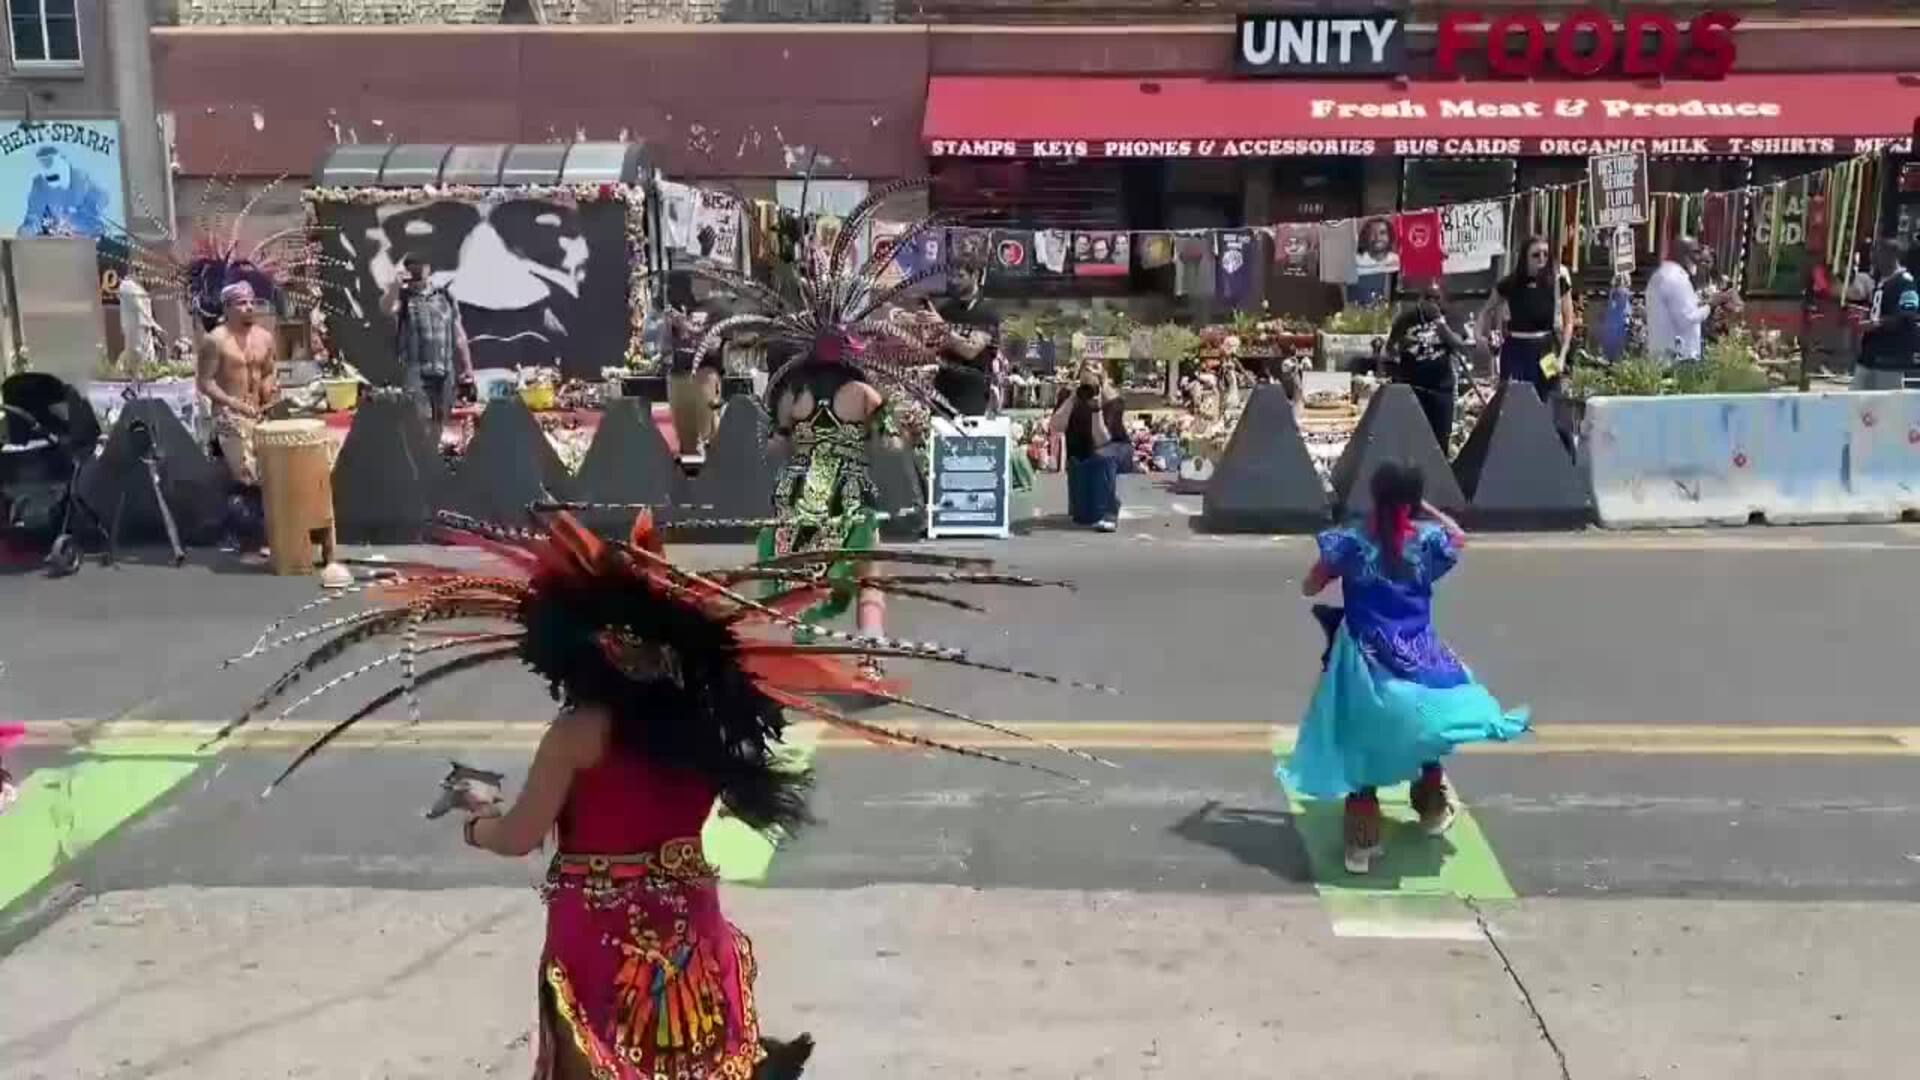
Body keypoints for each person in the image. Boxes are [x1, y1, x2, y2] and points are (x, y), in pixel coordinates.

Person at [216, 505, 1093, 1080]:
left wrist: (475, 822)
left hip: (601, 939)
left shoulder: (578, 732)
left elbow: (525, 835)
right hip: (687, 924)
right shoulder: (709, 728)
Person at [1283, 462, 1531, 875]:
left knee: (1359, 741)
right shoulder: (1428, 542)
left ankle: (1362, 844)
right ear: (1413, 500)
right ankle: (1432, 812)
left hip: (1364, 657)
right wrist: (1426, 507)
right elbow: (1458, 536)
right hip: (1422, 656)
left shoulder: (1353, 543)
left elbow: (1311, 585)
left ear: (1375, 495)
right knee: (1421, 734)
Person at [196, 281, 279, 549]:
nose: (249, 307)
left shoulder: (265, 337)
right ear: (228, 308)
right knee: (247, 472)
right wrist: (233, 403)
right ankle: (247, 534)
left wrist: (270, 391)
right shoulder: (215, 340)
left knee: (270, 470)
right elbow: (205, 382)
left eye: (252, 301)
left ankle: (259, 529)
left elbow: (268, 371)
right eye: (242, 303)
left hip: (258, 412)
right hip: (229, 415)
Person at [384, 253, 474, 430]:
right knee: (420, 425)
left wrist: (467, 366)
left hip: (444, 370)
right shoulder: (403, 298)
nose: (416, 269)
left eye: (420, 265)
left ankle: (437, 455)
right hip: (416, 371)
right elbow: (387, 308)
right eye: (412, 266)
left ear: (428, 268)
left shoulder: (445, 296)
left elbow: (459, 333)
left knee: (443, 423)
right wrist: (395, 287)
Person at [1479, 236, 1573, 395]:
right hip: (1516, 351)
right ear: (1525, 258)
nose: (1542, 259)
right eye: (1536, 255)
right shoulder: (1510, 283)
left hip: (1546, 351)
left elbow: (1569, 321)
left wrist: (1562, 355)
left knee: (1550, 399)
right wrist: (1480, 337)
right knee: (1515, 400)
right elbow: (1486, 311)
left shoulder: (1557, 282)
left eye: (1545, 254)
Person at [1386, 281, 1464, 452]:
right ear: (1420, 299)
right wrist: (1400, 351)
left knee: (1440, 441)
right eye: (1428, 298)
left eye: (1436, 299)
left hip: (1441, 389)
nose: (1432, 303)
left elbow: (1458, 343)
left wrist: (1440, 323)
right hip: (1414, 389)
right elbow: (1390, 348)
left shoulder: (1450, 317)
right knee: (1412, 441)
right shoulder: (1406, 319)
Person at [1051, 372, 1123, 531]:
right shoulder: (1068, 395)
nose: (1088, 383)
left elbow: (1102, 440)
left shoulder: (1111, 400)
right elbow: (1056, 427)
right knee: (1082, 518)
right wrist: (1071, 399)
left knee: (1105, 455)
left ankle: (1110, 510)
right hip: (1078, 456)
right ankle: (1086, 502)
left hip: (1106, 454)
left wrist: (1096, 409)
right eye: (1086, 374)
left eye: (1094, 374)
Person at [928, 265, 1000, 417]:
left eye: (960, 276)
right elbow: (933, 346)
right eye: (953, 277)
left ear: (975, 275)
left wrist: (945, 331)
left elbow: (970, 351)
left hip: (972, 392)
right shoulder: (946, 310)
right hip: (942, 390)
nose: (955, 281)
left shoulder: (987, 313)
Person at [1645, 237, 1729, 364]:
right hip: (1678, 358)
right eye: (1695, 252)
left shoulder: (1662, 273)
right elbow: (1688, 317)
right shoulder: (1676, 279)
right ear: (1682, 254)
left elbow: (1680, 310)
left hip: (1663, 353)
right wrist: (1711, 304)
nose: (1699, 258)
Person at [1852, 238, 1920, 391]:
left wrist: (1875, 324)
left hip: (1891, 359)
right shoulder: (1880, 282)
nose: (1874, 258)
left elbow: (1907, 315)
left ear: (1892, 255)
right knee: (1857, 403)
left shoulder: (1905, 283)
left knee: (1887, 406)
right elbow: (1877, 310)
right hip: (1868, 357)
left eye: (1878, 253)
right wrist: (1863, 318)